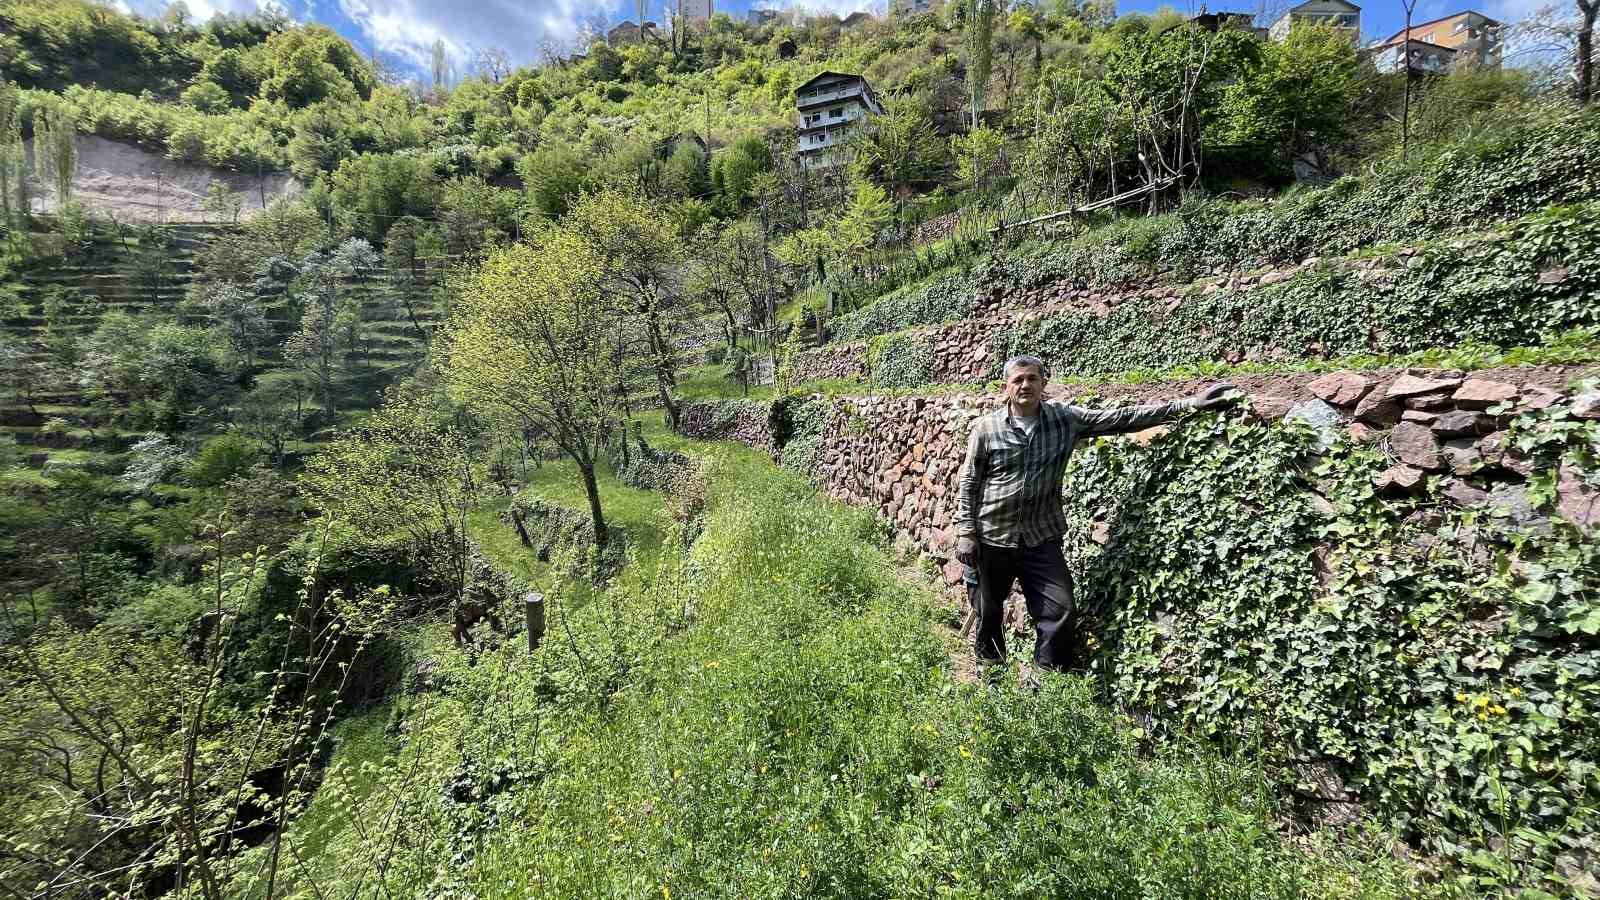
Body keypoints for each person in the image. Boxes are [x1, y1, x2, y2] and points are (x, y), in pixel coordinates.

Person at [952, 355, 1237, 673]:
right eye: (1018, 379)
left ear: (1043, 383)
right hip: (992, 535)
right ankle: (991, 674)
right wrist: (966, 533)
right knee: (988, 609)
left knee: (1061, 609)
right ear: (1006, 386)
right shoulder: (987, 429)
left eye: (1032, 378)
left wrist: (1188, 405)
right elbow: (969, 483)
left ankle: (1047, 681)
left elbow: (1122, 417)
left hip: (1041, 536)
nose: (1025, 385)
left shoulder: (1065, 419)